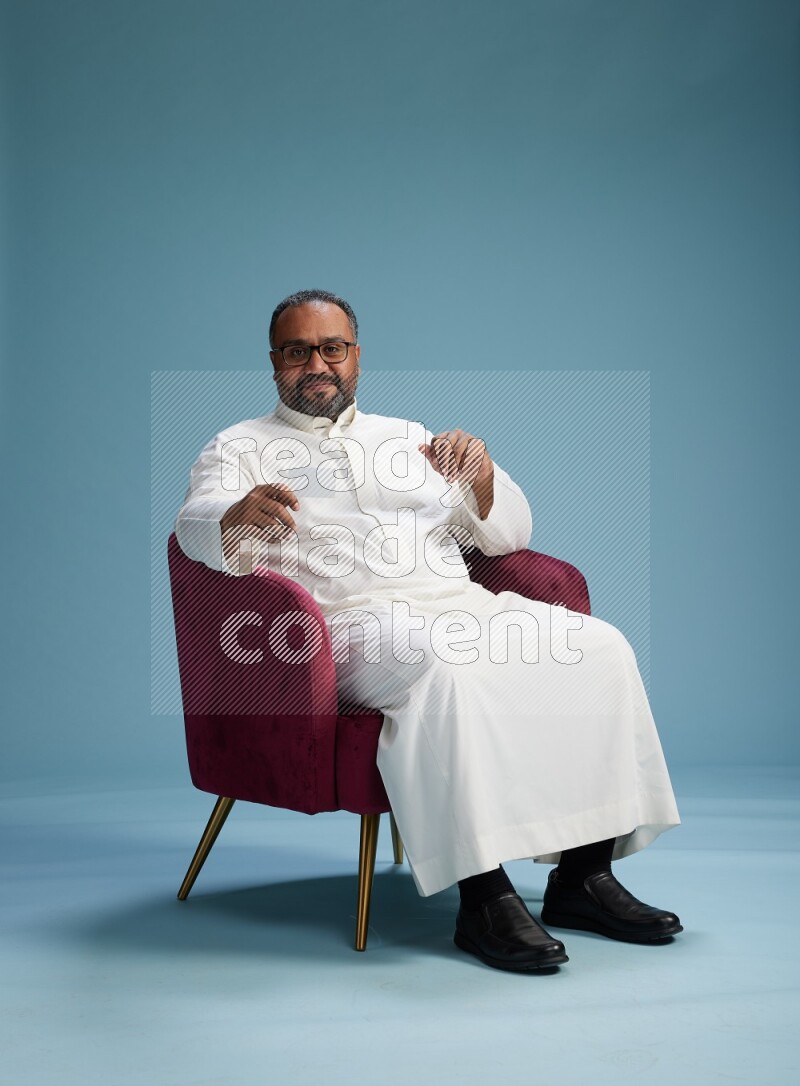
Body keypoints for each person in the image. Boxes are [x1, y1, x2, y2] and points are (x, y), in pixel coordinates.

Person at [174, 288, 682, 973]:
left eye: (332, 348)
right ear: (274, 363)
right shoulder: (238, 446)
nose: (316, 363)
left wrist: (480, 474)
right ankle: (484, 898)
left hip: (456, 602)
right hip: (342, 630)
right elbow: (193, 527)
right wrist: (234, 514)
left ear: (356, 356)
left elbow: (509, 537)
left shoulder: (406, 436)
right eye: (298, 351)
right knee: (447, 668)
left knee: (600, 649)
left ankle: (584, 878)